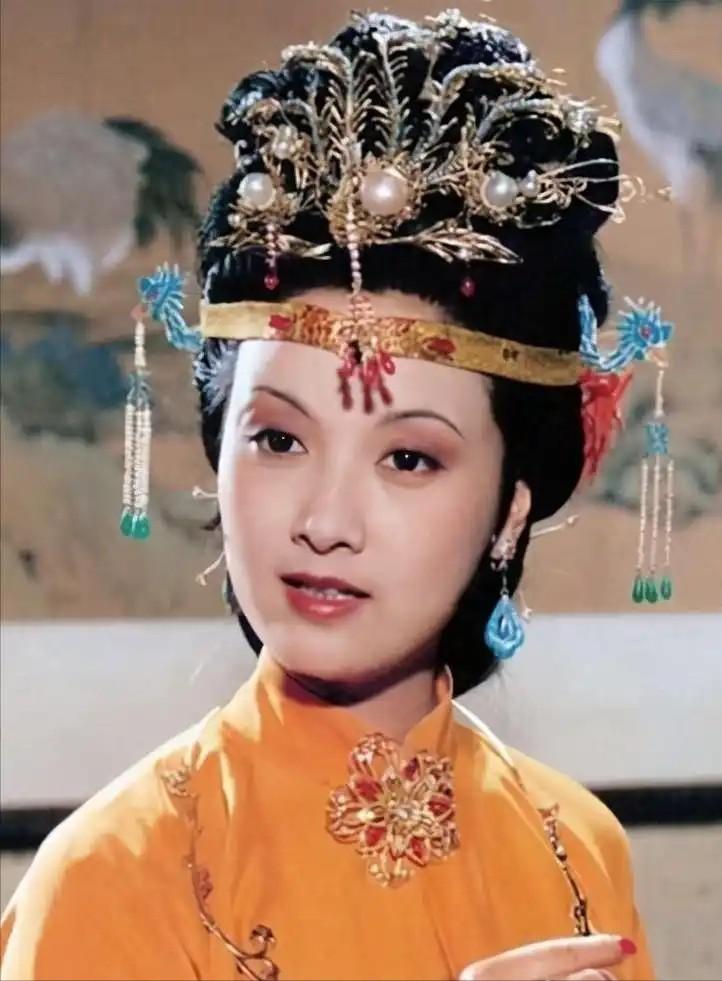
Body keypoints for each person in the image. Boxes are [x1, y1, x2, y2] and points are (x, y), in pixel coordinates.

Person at [1, 10, 660, 980]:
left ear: (511, 509)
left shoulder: (578, 847)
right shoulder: (114, 876)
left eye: (409, 459)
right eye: (278, 439)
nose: (322, 522)